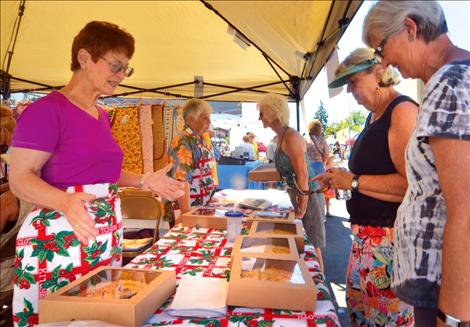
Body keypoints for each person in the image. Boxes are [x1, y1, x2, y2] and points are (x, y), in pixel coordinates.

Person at [9, 21, 185, 325]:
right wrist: (65, 202)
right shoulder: (46, 111)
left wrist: (145, 179)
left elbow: (103, 174)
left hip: (101, 240)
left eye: (126, 69)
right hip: (60, 241)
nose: (121, 76)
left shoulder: (100, 115)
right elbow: (20, 178)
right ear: (84, 58)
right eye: (116, 65)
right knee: (61, 319)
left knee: (98, 316)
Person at [363, 2, 470, 326]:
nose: (382, 62)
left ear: (410, 28)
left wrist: (450, 317)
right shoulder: (449, 78)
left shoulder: (450, 82)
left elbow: (465, 209)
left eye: (380, 48)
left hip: (446, 294)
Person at [314, 47, 418, 326]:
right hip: (366, 243)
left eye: (353, 82)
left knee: (384, 320)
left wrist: (355, 181)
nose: (349, 92)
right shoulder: (373, 117)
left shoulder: (402, 111)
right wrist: (342, 176)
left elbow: (412, 184)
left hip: (390, 246)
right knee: (361, 317)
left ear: (378, 73)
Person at [257, 93, 326, 271]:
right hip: (299, 194)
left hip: (308, 196)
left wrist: (302, 210)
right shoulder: (282, 136)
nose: (260, 118)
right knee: (303, 245)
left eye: (262, 113)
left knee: (312, 247)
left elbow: (302, 175)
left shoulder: (291, 137)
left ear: (272, 113)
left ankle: (318, 293)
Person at [167, 99, 218, 222]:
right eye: (205, 118)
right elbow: (180, 180)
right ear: (191, 120)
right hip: (189, 207)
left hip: (201, 205)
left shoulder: (200, 138)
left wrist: (209, 196)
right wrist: (185, 213)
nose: (209, 122)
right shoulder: (183, 142)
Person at [0, 105, 19, 232]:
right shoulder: (5, 149)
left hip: (21, 194)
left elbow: (17, 181)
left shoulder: (19, 149)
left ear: (2, 130)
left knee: (6, 202)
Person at [307, 120, 331, 216]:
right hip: (320, 167)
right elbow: (326, 154)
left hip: (309, 167)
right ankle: (321, 214)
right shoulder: (323, 140)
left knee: (310, 191)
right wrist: (322, 162)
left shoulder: (306, 139)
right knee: (320, 192)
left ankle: (311, 214)